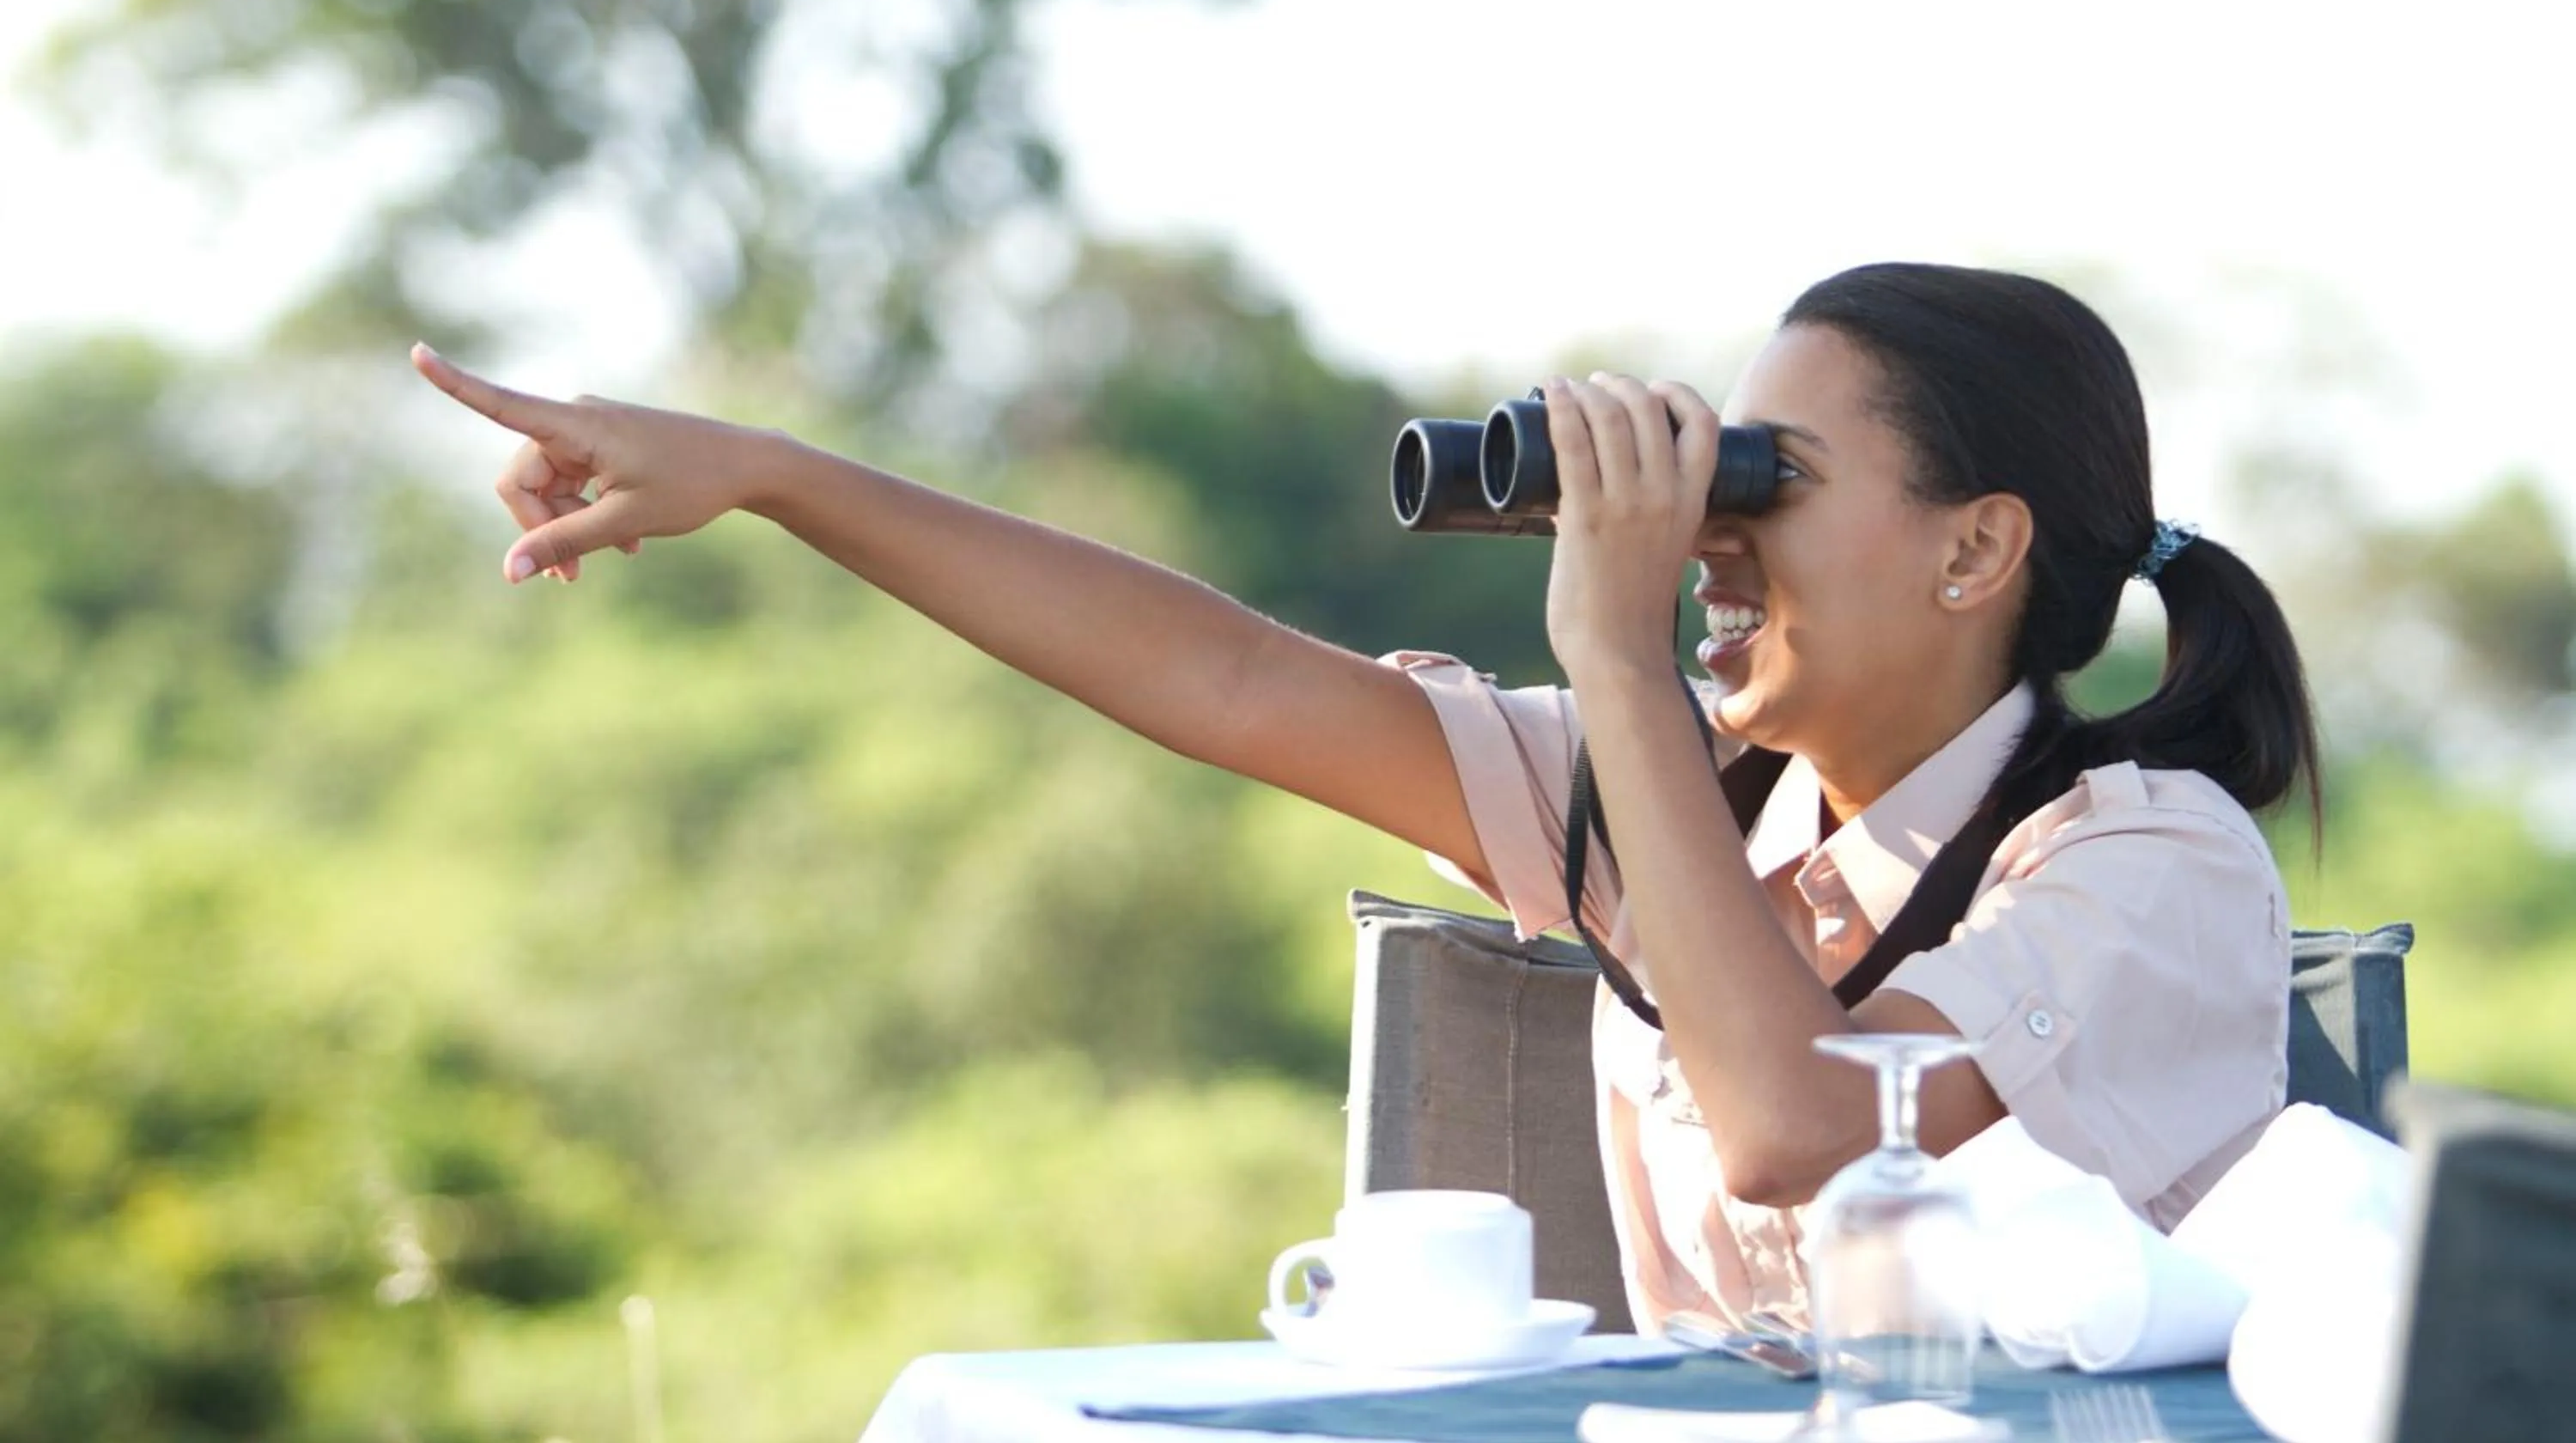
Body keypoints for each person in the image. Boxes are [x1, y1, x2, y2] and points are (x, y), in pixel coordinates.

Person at [410, 261, 2317, 1336]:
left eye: (1766, 483)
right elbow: (1224, 677)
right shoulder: (1684, 803)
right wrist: (778, 476)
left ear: (1980, 548)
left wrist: (1625, 660)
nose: (1712, 538)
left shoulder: (2147, 855)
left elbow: (1795, 1120)